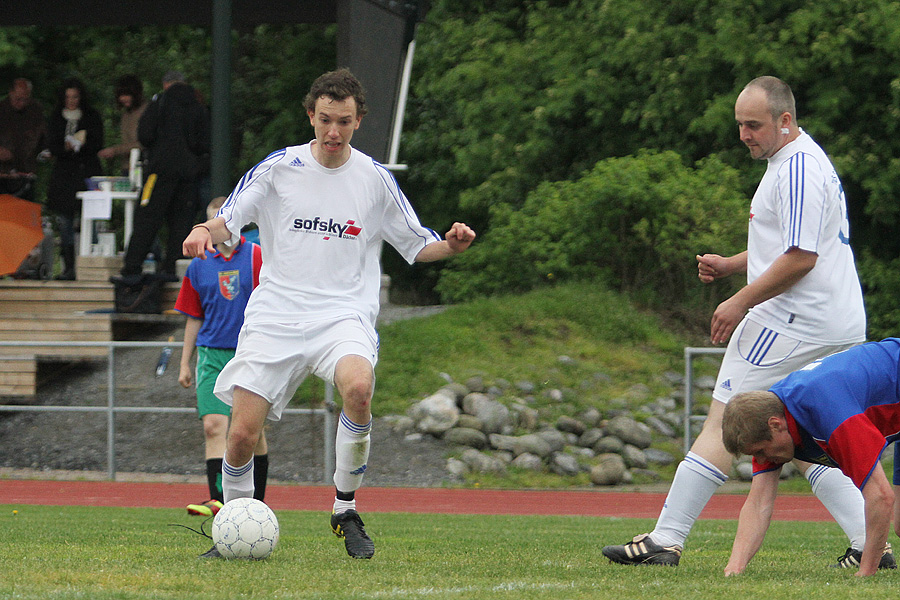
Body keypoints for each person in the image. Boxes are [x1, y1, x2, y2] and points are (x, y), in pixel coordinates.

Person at [182, 68, 476, 559]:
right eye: (324, 120)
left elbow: (416, 244)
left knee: (359, 390)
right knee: (239, 436)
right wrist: (203, 228)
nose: (333, 132)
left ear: (359, 120)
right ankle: (233, 526)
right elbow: (229, 217)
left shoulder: (375, 180)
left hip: (343, 315)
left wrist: (450, 246)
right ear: (310, 116)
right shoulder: (278, 168)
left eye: (343, 121)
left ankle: (344, 509)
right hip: (276, 315)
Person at [602, 76, 878, 568]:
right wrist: (733, 264)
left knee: (723, 423)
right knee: (804, 439)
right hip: (834, 321)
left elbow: (800, 259)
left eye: (754, 125)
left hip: (791, 321)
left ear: (785, 120)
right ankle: (870, 545)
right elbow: (792, 245)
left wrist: (739, 300)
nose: (745, 134)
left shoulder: (795, 170)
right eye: (739, 125)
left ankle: (667, 538)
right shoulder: (806, 160)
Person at [721, 339, 900, 577]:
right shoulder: (771, 414)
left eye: (760, 452)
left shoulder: (830, 412)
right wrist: (734, 569)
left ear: (775, 425)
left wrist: (865, 573)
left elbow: (880, 495)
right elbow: (758, 503)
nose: (761, 460)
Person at [175, 196, 268, 518]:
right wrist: (185, 362)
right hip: (212, 355)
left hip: (250, 353)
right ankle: (219, 502)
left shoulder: (257, 256)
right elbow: (193, 315)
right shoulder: (199, 265)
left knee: (251, 431)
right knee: (214, 427)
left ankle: (256, 501)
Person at [116, 70, 209, 283]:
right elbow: (203, 144)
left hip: (158, 172)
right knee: (181, 224)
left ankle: (132, 268)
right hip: (187, 175)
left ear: (166, 85)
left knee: (146, 218)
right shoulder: (198, 107)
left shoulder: (159, 104)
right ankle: (172, 269)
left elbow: (145, 136)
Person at [46, 77, 104, 280]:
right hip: (64, 177)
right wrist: (65, 148)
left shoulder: (91, 116)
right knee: (66, 223)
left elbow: (98, 142)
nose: (71, 100)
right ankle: (69, 266)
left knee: (91, 220)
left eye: (75, 97)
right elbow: (51, 145)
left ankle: (92, 266)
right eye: (68, 97)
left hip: (86, 173)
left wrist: (83, 145)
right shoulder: (55, 118)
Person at [0, 78, 47, 199]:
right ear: (11, 93)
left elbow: (44, 140)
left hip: (26, 175)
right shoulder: (2, 110)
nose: (21, 103)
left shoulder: (36, 111)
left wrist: (45, 152)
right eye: (18, 99)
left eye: (25, 99)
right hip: (3, 176)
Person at [97, 75, 148, 176]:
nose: (123, 99)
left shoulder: (147, 111)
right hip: (127, 167)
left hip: (143, 166)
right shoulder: (125, 114)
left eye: (127, 95)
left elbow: (144, 142)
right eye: (121, 95)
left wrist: (115, 150)